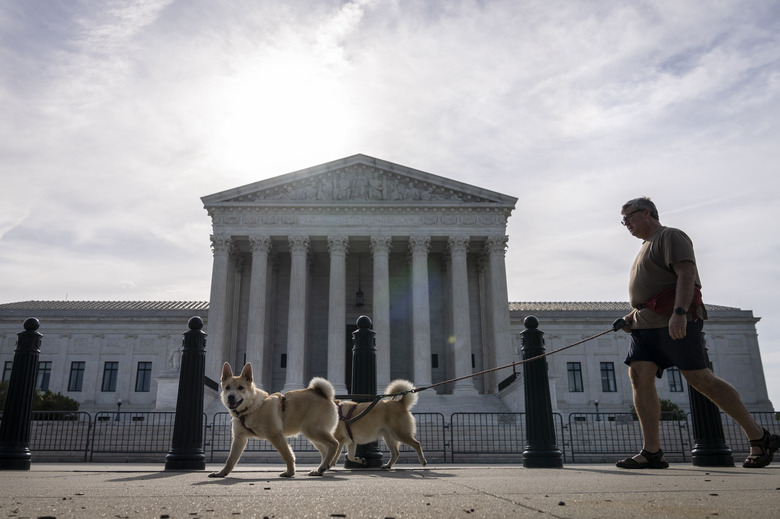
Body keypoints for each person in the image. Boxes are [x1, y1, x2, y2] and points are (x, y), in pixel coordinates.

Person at [616, 197, 779, 469]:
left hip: (673, 320)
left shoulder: (670, 236)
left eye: (628, 218)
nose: (626, 225)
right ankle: (652, 451)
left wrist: (679, 313)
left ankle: (758, 435)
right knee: (638, 375)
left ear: (647, 213)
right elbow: (650, 294)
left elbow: (686, 273)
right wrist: (631, 316)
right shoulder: (645, 247)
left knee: (701, 379)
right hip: (645, 324)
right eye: (624, 221)